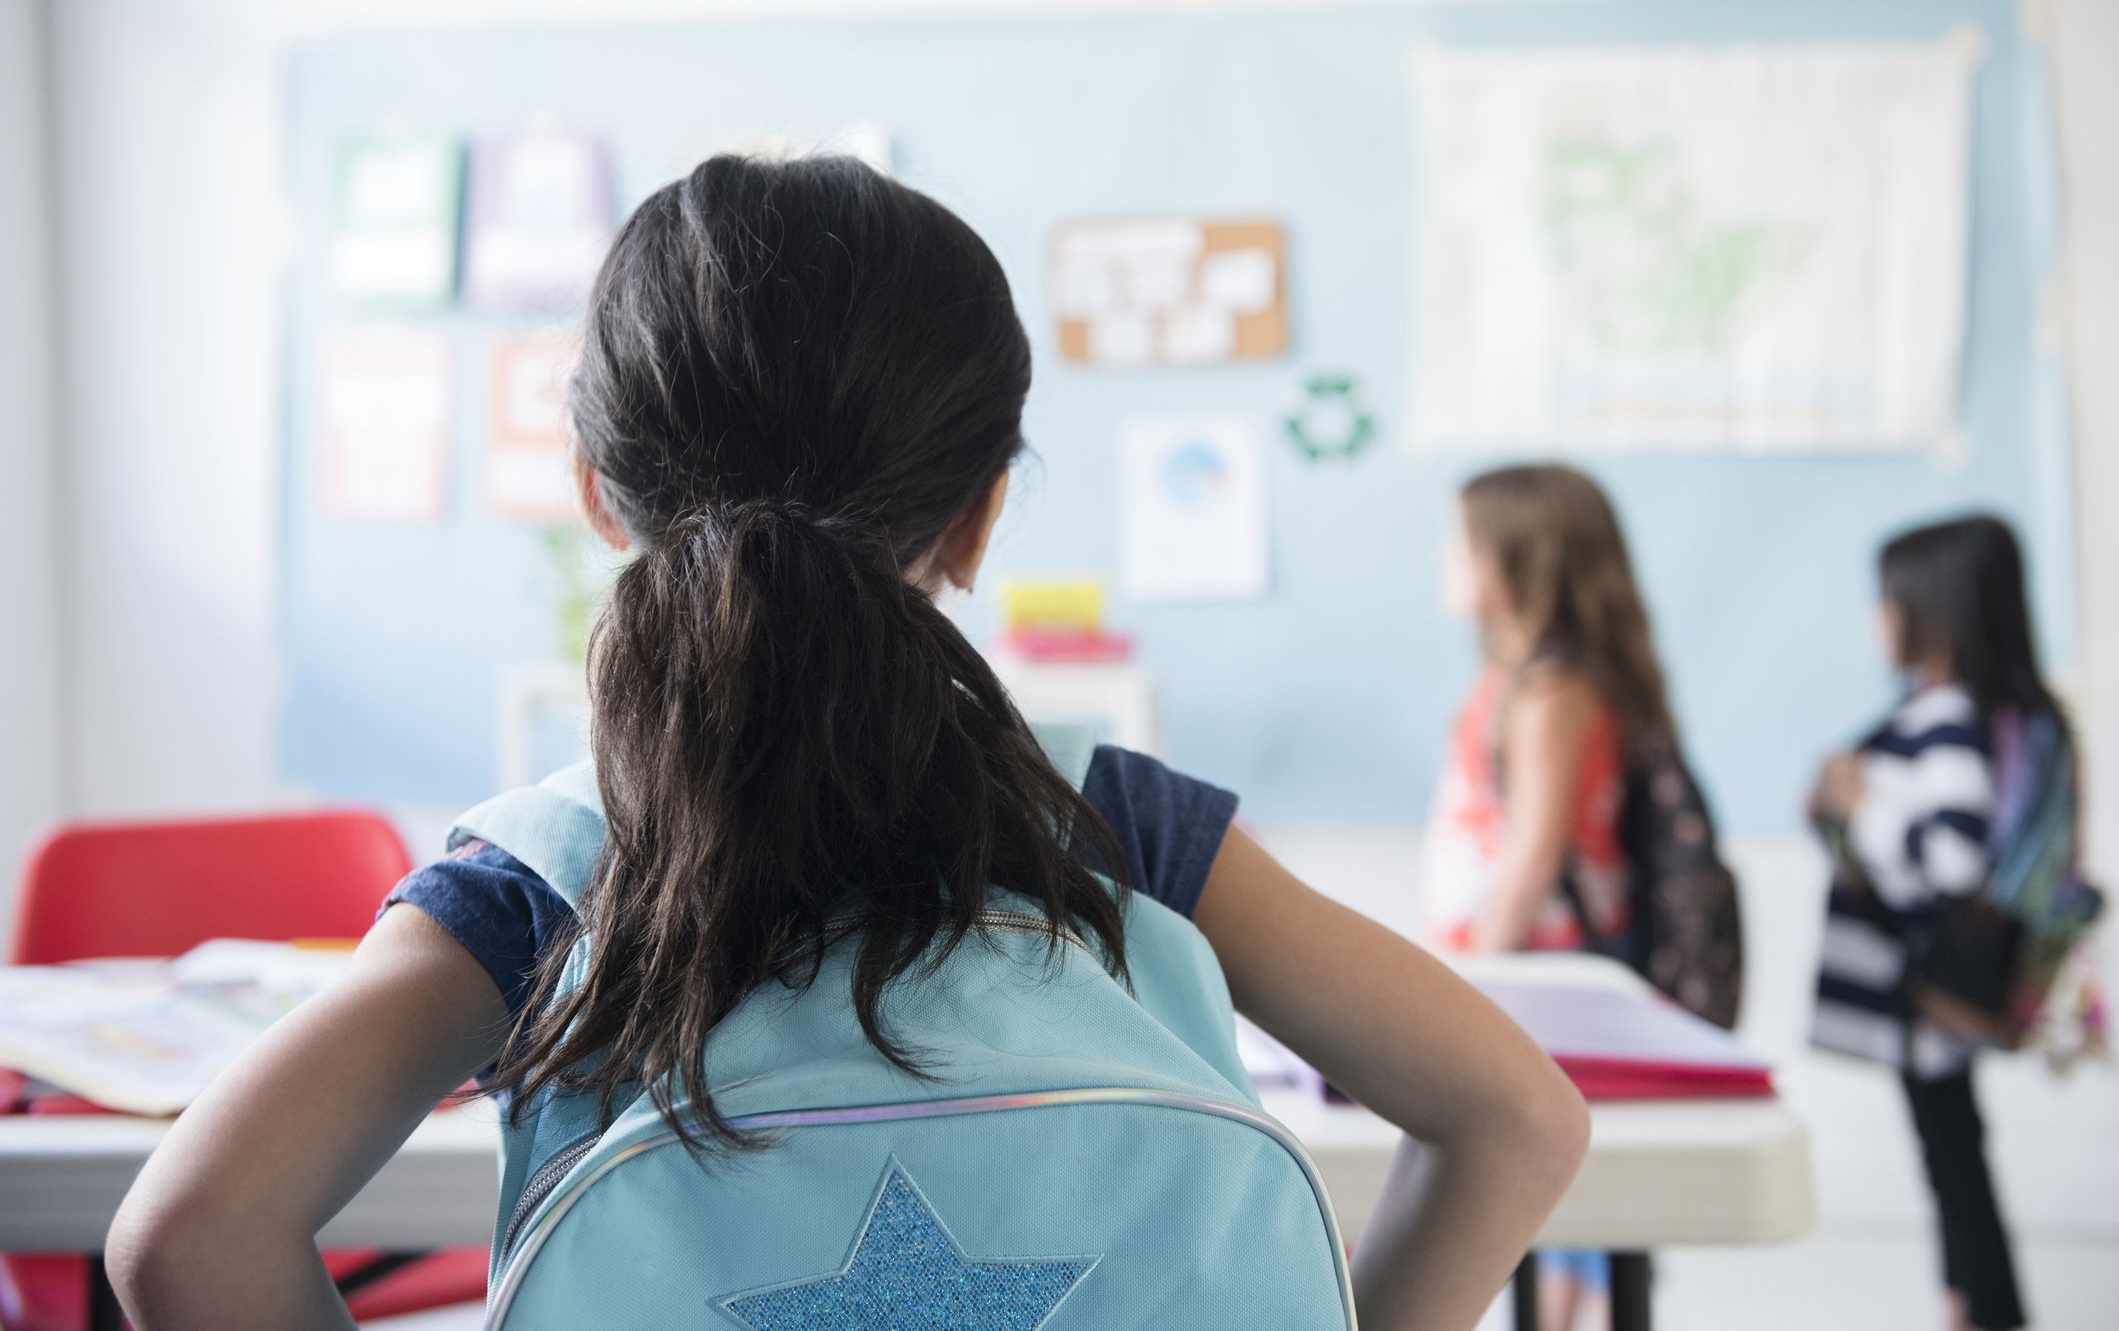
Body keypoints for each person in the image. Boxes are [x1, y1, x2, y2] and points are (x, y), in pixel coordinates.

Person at [106, 156, 1588, 1331]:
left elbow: (190, 1232)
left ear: (595, 491)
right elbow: (1513, 1113)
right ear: (981, 513)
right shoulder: (1115, 828)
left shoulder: (542, 880)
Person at [1423, 463, 1682, 1331]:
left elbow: (1533, 855)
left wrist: (1468, 975)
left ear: (1519, 559)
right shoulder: (1525, 677)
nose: (1444, 557)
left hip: (1542, 977)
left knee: (1558, 1200)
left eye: (1462, 541)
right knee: (1553, 1206)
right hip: (1531, 976)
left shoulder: (1552, 690)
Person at [1809, 515, 2063, 1331]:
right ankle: (1969, 1305)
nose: (1874, 621)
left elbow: (1948, 862)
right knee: (1952, 1154)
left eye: (1886, 602)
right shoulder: (1959, 714)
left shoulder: (1946, 720)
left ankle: (1981, 1310)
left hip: (1924, 998)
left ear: (1934, 610)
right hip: (1925, 995)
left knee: (1951, 1160)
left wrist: (1861, 806)